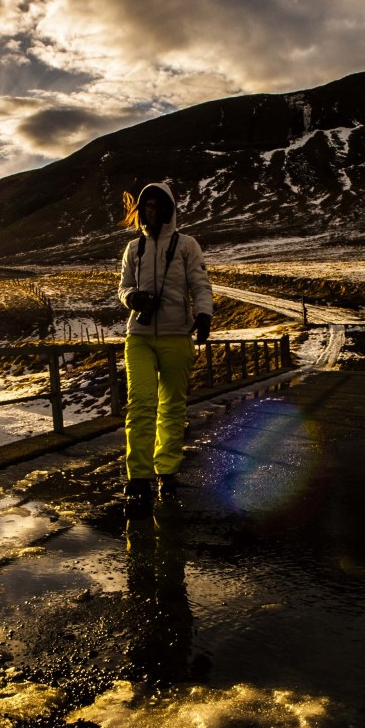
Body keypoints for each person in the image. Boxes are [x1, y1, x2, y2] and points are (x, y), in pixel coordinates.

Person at [117, 182, 213, 514]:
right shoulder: (134, 249)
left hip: (176, 337)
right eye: (146, 207)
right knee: (141, 405)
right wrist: (132, 297)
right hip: (139, 337)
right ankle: (138, 479)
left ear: (169, 210)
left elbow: (200, 283)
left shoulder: (187, 246)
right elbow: (123, 287)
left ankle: (166, 471)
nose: (150, 212)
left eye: (157, 206)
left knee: (172, 407)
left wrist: (203, 315)